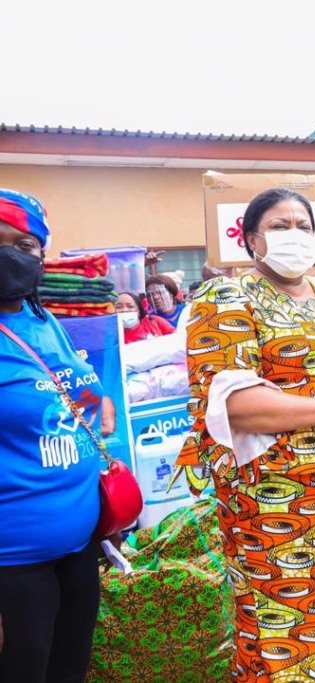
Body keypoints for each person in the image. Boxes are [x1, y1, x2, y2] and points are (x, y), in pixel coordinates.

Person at [174, 187, 315, 682]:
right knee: (280, 629)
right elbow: (232, 404)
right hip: (272, 508)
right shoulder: (226, 296)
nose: (295, 235)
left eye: (304, 226)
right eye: (279, 226)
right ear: (252, 240)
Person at [0, 189, 117, 682]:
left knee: (69, 669)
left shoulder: (42, 317)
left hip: (77, 545)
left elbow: (69, 380)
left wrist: (97, 403)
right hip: (14, 563)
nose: (10, 255)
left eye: (24, 245)